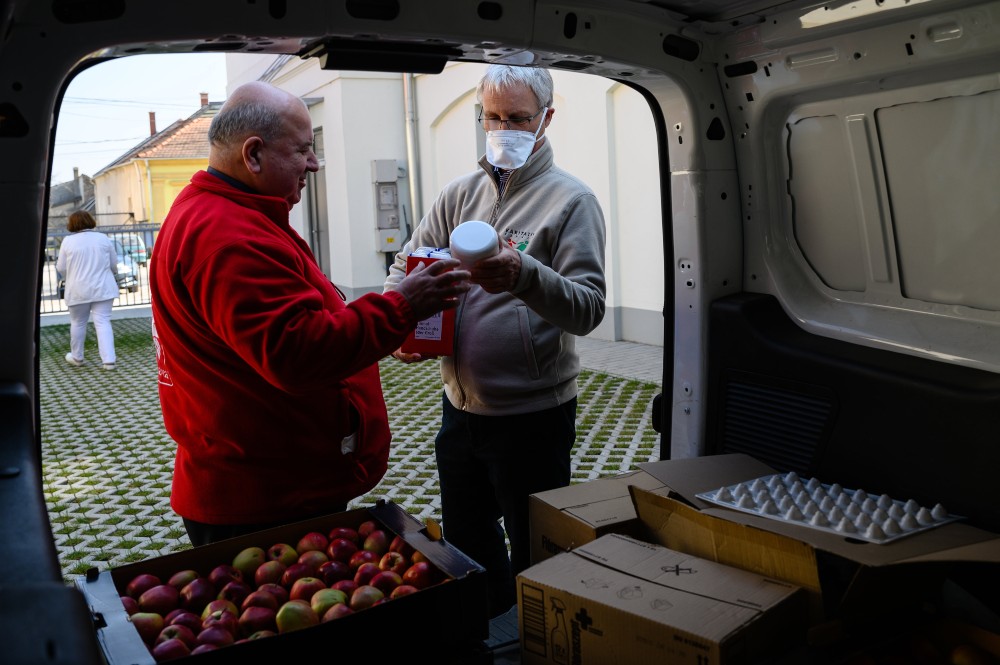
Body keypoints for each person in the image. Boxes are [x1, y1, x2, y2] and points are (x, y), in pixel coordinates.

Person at [149, 81, 470, 547]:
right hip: (265, 503)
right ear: (253, 154)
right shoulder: (230, 236)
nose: (314, 164)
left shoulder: (222, 213)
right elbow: (296, 352)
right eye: (303, 150)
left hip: (266, 484)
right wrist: (405, 306)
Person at [383, 65, 607, 617]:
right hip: (459, 410)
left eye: (518, 118)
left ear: (546, 118)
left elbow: (589, 308)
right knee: (467, 542)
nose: (503, 127)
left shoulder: (571, 201)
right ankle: (485, 632)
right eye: (493, 116)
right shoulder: (458, 195)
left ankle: (541, 639)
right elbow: (404, 265)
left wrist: (525, 275)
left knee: (537, 549)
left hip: (534, 415)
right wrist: (401, 324)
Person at [56, 209, 119, 370]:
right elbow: (113, 265)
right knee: (103, 322)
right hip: (103, 288)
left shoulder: (68, 241)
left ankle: (77, 357)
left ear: (72, 224)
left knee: (78, 323)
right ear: (91, 221)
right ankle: (109, 361)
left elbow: (61, 267)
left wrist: (71, 275)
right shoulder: (103, 239)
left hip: (77, 289)